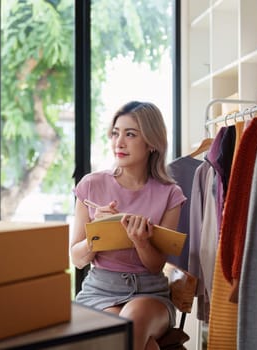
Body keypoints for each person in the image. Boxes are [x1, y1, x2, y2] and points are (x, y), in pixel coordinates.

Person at [71, 101, 186, 350]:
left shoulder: (170, 194)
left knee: (130, 325)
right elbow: (77, 259)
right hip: (99, 290)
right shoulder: (91, 185)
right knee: (117, 335)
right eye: (115, 133)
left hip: (150, 293)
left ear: (151, 142)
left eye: (130, 134)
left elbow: (156, 265)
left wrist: (140, 241)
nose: (118, 142)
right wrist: (98, 234)